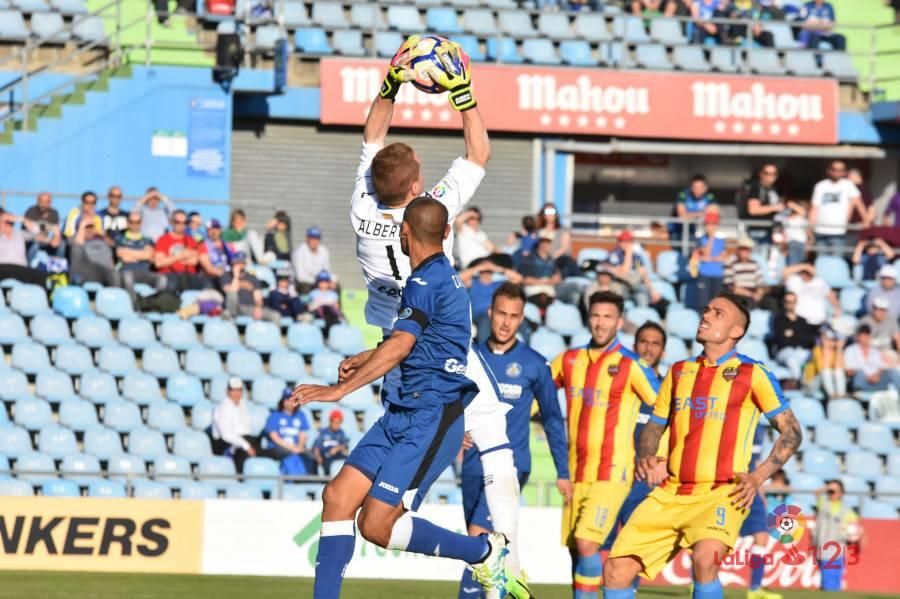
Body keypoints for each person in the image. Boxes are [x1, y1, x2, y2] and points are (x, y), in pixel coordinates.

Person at [344, 40, 528, 595]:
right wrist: (462, 94)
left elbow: (373, 138)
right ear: (418, 190)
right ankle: (503, 561)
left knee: (422, 439)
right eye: (420, 169)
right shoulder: (432, 212)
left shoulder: (362, 205)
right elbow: (478, 153)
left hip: (393, 340)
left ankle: (408, 512)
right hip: (435, 338)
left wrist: (392, 82)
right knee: (494, 431)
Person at [291, 197, 524, 598]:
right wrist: (368, 357)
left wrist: (340, 390)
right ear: (446, 234)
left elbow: (401, 344)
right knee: (337, 496)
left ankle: (484, 551)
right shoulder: (439, 277)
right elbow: (420, 342)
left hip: (430, 416)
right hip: (404, 408)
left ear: (404, 232)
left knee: (376, 526)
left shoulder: (422, 281)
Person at [603, 292, 802, 599]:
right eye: (706, 310)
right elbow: (654, 425)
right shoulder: (679, 372)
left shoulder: (753, 374)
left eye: (718, 313)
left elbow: (791, 432)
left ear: (737, 331)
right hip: (670, 492)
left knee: (705, 560)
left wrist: (757, 477)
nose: (706, 316)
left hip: (721, 492)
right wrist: (647, 455)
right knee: (615, 572)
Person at [458, 282, 570, 599]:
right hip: (471, 467)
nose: (506, 322)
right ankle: (517, 589)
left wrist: (562, 471)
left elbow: (551, 418)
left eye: (514, 316)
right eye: (501, 314)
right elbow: (449, 407)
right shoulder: (471, 358)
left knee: (476, 544)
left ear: (521, 319)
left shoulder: (535, 364)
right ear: (490, 313)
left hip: (512, 465)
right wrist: (457, 433)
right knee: (492, 555)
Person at [551, 291, 661, 599]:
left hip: (612, 474)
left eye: (608, 317)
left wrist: (659, 454)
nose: (601, 323)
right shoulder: (569, 360)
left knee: (588, 542)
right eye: (596, 315)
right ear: (589, 318)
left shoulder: (631, 365)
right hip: (574, 474)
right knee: (577, 551)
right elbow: (540, 397)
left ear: (619, 322)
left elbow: (664, 408)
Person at [599, 321, 670, 587]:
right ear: (635, 345)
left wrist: (660, 463)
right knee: (598, 542)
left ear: (663, 350)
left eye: (655, 343)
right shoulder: (618, 383)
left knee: (633, 547)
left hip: (645, 481)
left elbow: (674, 433)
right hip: (612, 473)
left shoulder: (668, 390)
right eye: (644, 342)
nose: (649, 348)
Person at [740, 423, 783, 599]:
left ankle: (755, 589)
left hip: (753, 487)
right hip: (731, 485)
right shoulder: (734, 420)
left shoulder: (758, 429)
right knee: (716, 539)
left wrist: (762, 493)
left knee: (762, 537)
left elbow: (757, 462)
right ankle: (699, 582)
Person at [808, 160, 868, 253]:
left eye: (841, 170)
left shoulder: (848, 185)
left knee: (837, 261)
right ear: (829, 170)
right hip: (820, 230)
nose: (837, 172)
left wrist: (866, 221)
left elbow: (858, 203)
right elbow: (815, 208)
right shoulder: (820, 186)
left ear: (844, 172)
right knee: (821, 261)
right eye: (834, 169)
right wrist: (810, 228)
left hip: (839, 231)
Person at [459, 260, 523, 343]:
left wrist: (497, 268)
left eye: (489, 270)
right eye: (484, 270)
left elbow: (519, 279)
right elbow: (459, 278)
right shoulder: (473, 283)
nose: (486, 272)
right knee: (487, 320)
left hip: (497, 313)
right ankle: (485, 350)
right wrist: (479, 267)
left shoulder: (498, 284)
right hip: (479, 314)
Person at [813, 480, 860, 592]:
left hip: (838, 549)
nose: (831, 493)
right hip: (823, 547)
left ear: (841, 493)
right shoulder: (823, 504)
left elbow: (855, 528)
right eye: (830, 491)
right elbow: (817, 493)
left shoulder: (847, 511)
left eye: (834, 491)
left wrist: (853, 535)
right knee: (827, 581)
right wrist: (827, 487)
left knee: (834, 581)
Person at [115, 212, 167, 302]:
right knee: (127, 277)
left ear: (141, 223)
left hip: (146, 273)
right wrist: (142, 254)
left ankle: (151, 303)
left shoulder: (147, 239)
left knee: (162, 279)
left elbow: (149, 255)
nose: (135, 224)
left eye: (137, 222)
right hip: (128, 271)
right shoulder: (120, 238)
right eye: (132, 222)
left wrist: (129, 253)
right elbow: (120, 254)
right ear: (128, 222)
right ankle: (134, 304)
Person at [211, 377, 259, 474]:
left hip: (240, 439)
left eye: (239, 390)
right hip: (225, 443)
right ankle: (239, 478)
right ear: (228, 391)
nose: (236, 393)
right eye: (233, 390)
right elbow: (226, 435)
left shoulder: (242, 404)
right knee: (245, 453)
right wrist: (246, 445)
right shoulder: (224, 407)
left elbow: (245, 428)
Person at [606, 230, 662, 308]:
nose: (626, 244)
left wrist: (652, 290)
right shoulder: (614, 254)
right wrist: (628, 255)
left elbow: (643, 273)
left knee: (642, 293)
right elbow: (623, 273)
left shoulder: (636, 257)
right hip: (620, 286)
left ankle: (642, 316)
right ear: (619, 242)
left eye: (628, 241)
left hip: (635, 286)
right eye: (623, 241)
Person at [154, 210, 208, 291]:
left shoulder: (192, 240)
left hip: (190, 276)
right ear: (171, 222)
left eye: (184, 222)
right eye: (177, 222)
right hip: (169, 276)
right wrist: (181, 256)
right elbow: (159, 263)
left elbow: (195, 261)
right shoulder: (163, 240)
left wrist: (169, 259)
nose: (181, 225)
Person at [221, 252, 281, 324]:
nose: (239, 265)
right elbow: (230, 291)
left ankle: (272, 334)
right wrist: (236, 276)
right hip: (234, 307)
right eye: (237, 262)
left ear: (245, 264)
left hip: (250, 308)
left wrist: (258, 308)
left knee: (275, 316)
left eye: (241, 262)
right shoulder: (226, 275)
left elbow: (258, 297)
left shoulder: (252, 278)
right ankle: (230, 316)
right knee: (232, 294)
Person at [772, 292, 818, 383]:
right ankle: (797, 383)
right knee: (792, 360)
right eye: (787, 302)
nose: (790, 304)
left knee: (813, 357)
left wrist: (793, 334)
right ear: (783, 303)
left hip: (801, 350)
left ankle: (809, 384)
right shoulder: (778, 319)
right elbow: (782, 340)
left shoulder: (802, 320)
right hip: (784, 351)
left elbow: (809, 340)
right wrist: (798, 336)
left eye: (792, 302)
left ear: (796, 302)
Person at [263, 390, 313, 474]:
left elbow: (303, 434)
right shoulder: (275, 415)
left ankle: (308, 480)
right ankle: (294, 480)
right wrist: (291, 447)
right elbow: (274, 436)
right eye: (287, 399)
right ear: (282, 401)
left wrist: (299, 447)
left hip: (296, 447)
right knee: (289, 454)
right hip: (278, 447)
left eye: (292, 399)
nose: (289, 402)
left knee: (311, 456)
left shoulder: (300, 415)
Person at [737, 164, 785, 244]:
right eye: (767, 173)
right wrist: (775, 207)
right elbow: (753, 210)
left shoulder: (773, 189)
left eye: (774, 174)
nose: (770, 176)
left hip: (771, 231)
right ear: (761, 174)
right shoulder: (756, 188)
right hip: (758, 231)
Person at [844, 324, 900, 392]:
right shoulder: (850, 350)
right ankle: (859, 392)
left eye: (867, 335)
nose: (865, 338)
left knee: (892, 371)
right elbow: (849, 371)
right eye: (863, 335)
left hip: (876, 381)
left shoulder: (875, 352)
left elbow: (881, 367)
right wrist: (867, 377)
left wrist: (877, 375)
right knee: (860, 373)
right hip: (860, 381)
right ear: (858, 337)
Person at [689, 211, 726, 312]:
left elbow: (722, 258)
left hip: (717, 275)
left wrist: (709, 258)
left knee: (717, 302)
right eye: (709, 224)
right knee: (703, 303)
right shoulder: (700, 239)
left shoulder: (721, 240)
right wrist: (711, 238)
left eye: (713, 224)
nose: (711, 227)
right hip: (704, 274)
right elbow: (705, 252)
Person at [0, 211, 49, 287]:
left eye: (10, 222)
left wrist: (22, 219)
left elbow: (37, 232)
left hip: (20, 268)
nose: (8, 224)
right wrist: (2, 219)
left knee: (41, 276)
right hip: (2, 267)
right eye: (5, 222)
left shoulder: (20, 234)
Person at [783, 263, 840, 327]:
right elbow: (785, 272)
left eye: (809, 273)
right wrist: (805, 266)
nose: (807, 275)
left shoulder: (819, 282)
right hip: (799, 320)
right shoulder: (794, 280)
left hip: (818, 320)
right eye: (805, 272)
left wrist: (837, 308)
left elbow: (831, 295)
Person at [670, 174, 718, 248]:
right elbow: (682, 215)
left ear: (705, 188)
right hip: (677, 230)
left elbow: (714, 214)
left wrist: (690, 215)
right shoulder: (683, 195)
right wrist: (701, 214)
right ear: (691, 187)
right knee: (679, 253)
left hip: (694, 231)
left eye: (700, 187)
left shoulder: (709, 197)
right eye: (695, 187)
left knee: (694, 251)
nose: (697, 190)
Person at [70, 218, 120, 287]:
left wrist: (101, 233)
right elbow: (77, 246)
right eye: (86, 227)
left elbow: (113, 244)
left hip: (104, 272)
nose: (89, 230)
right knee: (77, 250)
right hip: (87, 272)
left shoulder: (102, 240)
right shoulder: (74, 239)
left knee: (114, 274)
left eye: (91, 227)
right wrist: (82, 225)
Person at [519, 232, 563, 309]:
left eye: (548, 242)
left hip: (549, 289)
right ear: (539, 243)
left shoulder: (552, 260)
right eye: (543, 242)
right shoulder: (529, 258)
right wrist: (543, 282)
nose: (546, 245)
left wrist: (554, 280)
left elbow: (558, 277)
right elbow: (525, 279)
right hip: (533, 289)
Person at [536, 203, 578, 277]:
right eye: (547, 212)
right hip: (541, 259)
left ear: (556, 214)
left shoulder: (563, 230)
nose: (549, 215)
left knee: (566, 263)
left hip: (560, 260)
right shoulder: (538, 231)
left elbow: (564, 247)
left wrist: (552, 258)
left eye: (552, 212)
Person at [23, 192, 63, 263]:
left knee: (62, 245)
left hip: (46, 241)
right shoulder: (31, 211)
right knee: (34, 245)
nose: (44, 204)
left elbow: (56, 231)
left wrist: (56, 239)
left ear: (50, 202)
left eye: (47, 201)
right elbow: (32, 234)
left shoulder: (54, 213)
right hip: (32, 240)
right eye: (42, 201)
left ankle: (58, 269)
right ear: (37, 201)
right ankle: (29, 269)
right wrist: (49, 240)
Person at [292, 226, 334, 295]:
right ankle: (306, 305)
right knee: (305, 287)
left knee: (335, 286)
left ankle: (334, 305)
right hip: (303, 282)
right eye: (312, 238)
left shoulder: (324, 251)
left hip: (320, 281)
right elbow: (300, 276)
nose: (314, 241)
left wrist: (330, 281)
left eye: (316, 238)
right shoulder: (299, 251)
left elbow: (327, 270)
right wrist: (318, 282)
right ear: (307, 239)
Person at [723, 237, 764, 306]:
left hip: (753, 294)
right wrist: (750, 294)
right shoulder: (730, 263)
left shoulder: (755, 264)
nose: (745, 252)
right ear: (738, 250)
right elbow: (730, 285)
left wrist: (759, 294)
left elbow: (760, 283)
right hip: (739, 295)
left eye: (747, 249)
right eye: (742, 249)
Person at [313, 409, 351, 476]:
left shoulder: (341, 433)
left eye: (338, 423)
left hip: (336, 454)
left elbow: (344, 445)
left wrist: (337, 448)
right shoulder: (323, 432)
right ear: (330, 421)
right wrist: (318, 457)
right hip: (325, 455)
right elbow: (317, 447)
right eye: (335, 422)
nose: (336, 425)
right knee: (324, 461)